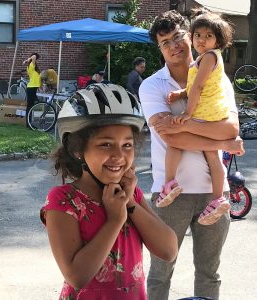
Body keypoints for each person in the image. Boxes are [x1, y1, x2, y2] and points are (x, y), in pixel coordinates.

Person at [139, 10, 244, 300]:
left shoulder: (218, 78)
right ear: (159, 49)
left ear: (191, 35)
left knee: (209, 273)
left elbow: (232, 127)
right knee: (161, 273)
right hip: (170, 193)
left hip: (214, 193)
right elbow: (168, 134)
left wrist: (191, 127)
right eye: (165, 43)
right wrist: (221, 142)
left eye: (177, 37)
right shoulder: (152, 86)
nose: (174, 46)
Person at [40, 83, 178, 299]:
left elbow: (168, 251)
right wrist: (115, 220)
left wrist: (130, 203)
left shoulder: (131, 195)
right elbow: (77, 276)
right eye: (105, 145)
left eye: (127, 145)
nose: (119, 155)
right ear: (77, 149)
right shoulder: (64, 200)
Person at [157, 9, 244, 226]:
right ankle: (218, 199)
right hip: (210, 115)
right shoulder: (204, 60)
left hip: (205, 114)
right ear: (192, 35)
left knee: (175, 142)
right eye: (198, 35)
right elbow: (194, 86)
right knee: (212, 156)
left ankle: (170, 184)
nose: (202, 40)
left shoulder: (209, 57)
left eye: (208, 36)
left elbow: (197, 87)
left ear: (218, 39)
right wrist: (179, 94)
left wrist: (187, 114)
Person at [23, 53, 41, 127]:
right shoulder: (31, 65)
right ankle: (28, 123)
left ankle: (29, 123)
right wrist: (28, 59)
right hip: (31, 88)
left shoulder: (32, 67)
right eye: (37, 60)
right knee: (30, 106)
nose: (37, 61)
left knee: (31, 106)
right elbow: (34, 56)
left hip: (33, 87)